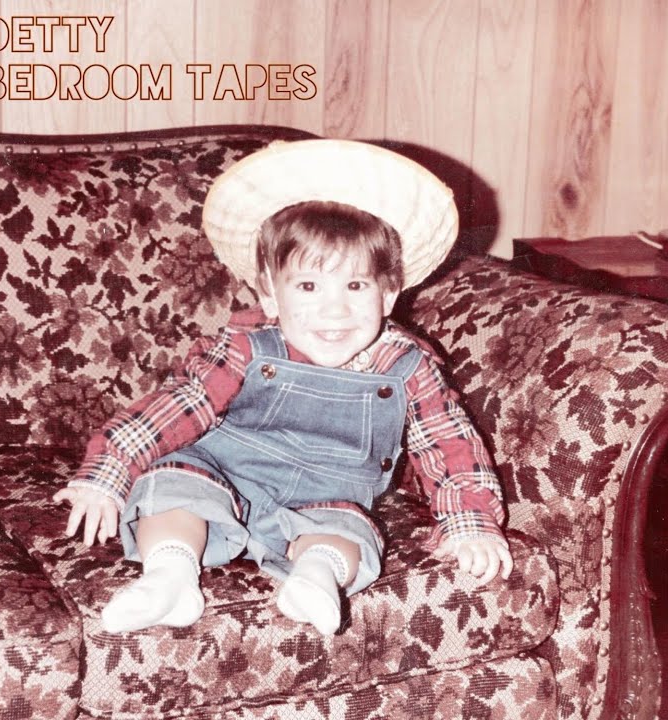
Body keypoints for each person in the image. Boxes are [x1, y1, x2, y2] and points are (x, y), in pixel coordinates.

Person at [53, 139, 512, 636]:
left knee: (348, 532)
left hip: (329, 495)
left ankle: (315, 578)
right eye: (309, 286)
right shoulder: (246, 346)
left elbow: (449, 445)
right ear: (270, 294)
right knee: (170, 485)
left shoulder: (406, 366)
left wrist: (470, 524)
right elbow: (180, 404)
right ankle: (170, 575)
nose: (335, 310)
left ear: (388, 294)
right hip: (222, 470)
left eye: (356, 286)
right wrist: (110, 469)